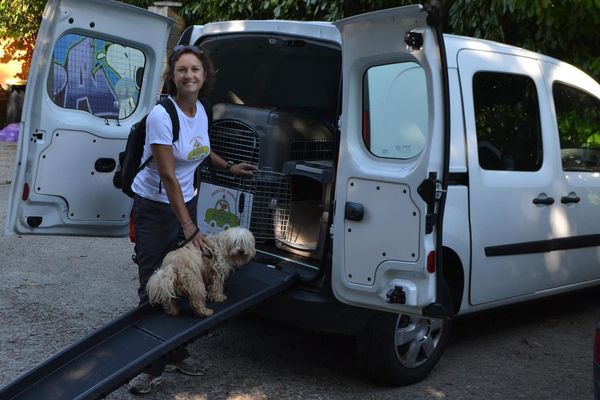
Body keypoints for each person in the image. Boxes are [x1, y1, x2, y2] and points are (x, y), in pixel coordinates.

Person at [126, 45, 257, 395]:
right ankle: (148, 367)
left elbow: (199, 146)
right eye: (182, 70)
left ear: (205, 75)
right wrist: (189, 227)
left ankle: (176, 352)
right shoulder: (160, 115)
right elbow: (168, 175)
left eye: (195, 70)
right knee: (156, 284)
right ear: (173, 75)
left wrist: (227, 165)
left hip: (188, 204)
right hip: (156, 209)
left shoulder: (200, 109)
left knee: (191, 276)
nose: (189, 76)